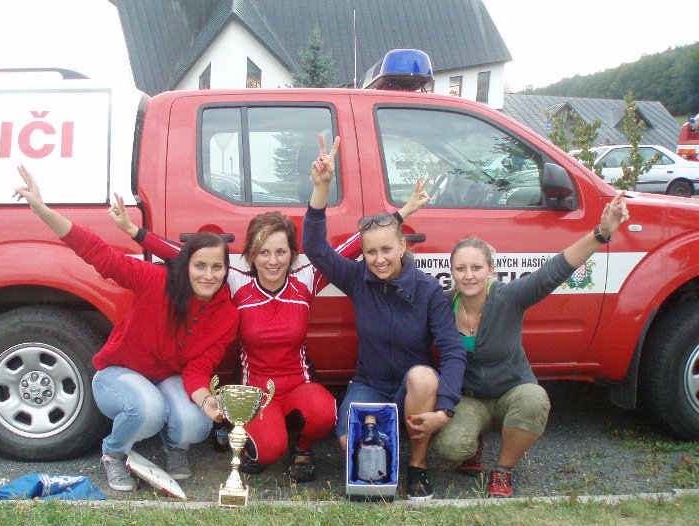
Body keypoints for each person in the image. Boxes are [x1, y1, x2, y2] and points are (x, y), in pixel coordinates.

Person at [110, 136, 424, 483]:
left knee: (324, 412)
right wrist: (134, 231)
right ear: (251, 255)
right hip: (255, 392)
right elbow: (181, 255)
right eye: (263, 252)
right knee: (270, 450)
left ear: (292, 254)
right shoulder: (236, 280)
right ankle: (251, 433)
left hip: (299, 384)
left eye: (280, 252)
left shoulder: (306, 278)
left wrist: (400, 214)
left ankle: (303, 447)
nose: (272, 261)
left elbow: (352, 247)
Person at [13, 165, 238, 491]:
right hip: (119, 374)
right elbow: (100, 255)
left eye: (217, 267)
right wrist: (42, 210)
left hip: (167, 378)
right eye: (200, 266)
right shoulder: (156, 280)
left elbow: (198, 369)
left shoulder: (227, 315)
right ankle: (114, 453)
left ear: (226, 270)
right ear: (186, 266)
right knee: (148, 409)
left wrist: (206, 403)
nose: (208, 275)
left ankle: (176, 448)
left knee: (196, 423)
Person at [431, 190, 630, 498]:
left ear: (491, 270)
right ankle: (473, 445)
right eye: (460, 269)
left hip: (512, 392)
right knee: (450, 446)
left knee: (534, 401)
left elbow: (554, 271)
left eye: (476, 268)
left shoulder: (509, 297)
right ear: (451, 272)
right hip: (469, 398)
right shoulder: (443, 305)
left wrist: (600, 234)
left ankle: (503, 469)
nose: (468, 276)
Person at [302, 137, 468, 500]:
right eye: (371, 251)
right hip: (370, 383)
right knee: (348, 441)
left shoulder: (427, 290)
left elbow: (453, 351)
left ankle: (417, 466)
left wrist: (445, 408)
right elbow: (315, 248)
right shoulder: (356, 278)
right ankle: (382, 464)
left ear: (403, 246)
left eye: (387, 249)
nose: (379, 259)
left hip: (412, 387)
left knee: (423, 377)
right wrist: (322, 188)